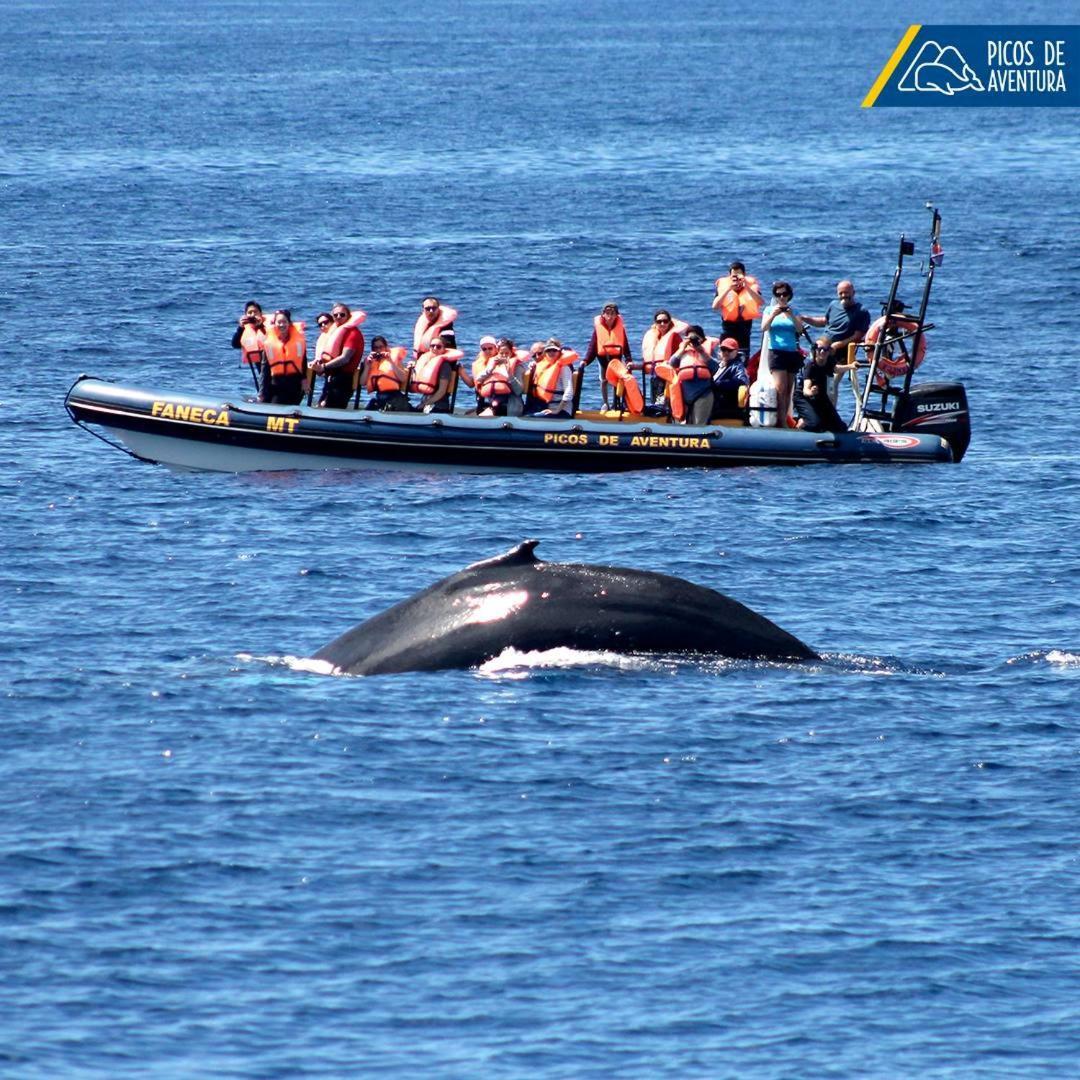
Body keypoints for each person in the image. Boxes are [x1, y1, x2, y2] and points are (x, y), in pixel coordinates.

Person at [760, 281, 807, 427]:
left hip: (791, 352)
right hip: (777, 352)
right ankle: (781, 422)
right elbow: (764, 327)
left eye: (784, 294)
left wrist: (791, 315)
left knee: (788, 389)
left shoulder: (794, 311)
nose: (781, 297)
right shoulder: (769, 310)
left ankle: (785, 417)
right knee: (780, 388)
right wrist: (773, 314)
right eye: (778, 294)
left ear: (789, 296)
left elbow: (799, 329)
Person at [802, 280, 871, 368]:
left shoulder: (861, 311)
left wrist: (838, 345)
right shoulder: (833, 305)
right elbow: (825, 322)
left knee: (831, 375)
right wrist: (805, 318)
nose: (843, 295)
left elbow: (858, 336)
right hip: (823, 345)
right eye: (840, 293)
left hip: (841, 349)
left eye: (846, 293)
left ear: (853, 293)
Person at [655, 326, 716, 425]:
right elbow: (672, 364)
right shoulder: (683, 351)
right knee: (685, 424)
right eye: (690, 338)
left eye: (696, 338)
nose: (693, 341)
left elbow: (715, 367)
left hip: (703, 393)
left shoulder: (708, 350)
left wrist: (701, 351)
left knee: (699, 424)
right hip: (684, 393)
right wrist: (681, 349)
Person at [312, 303, 366, 408]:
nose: (338, 317)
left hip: (343, 381)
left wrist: (323, 367)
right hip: (331, 378)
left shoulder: (353, 334)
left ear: (348, 316)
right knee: (321, 407)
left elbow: (345, 358)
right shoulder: (335, 332)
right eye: (335, 315)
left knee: (330, 409)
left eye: (342, 314)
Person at [794, 339, 855, 433]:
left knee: (840, 427)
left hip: (820, 397)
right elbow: (805, 389)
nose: (822, 351)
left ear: (829, 351)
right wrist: (811, 391)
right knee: (815, 425)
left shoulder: (829, 361)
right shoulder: (810, 366)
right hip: (803, 397)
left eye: (825, 349)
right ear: (815, 350)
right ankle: (801, 422)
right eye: (820, 349)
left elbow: (836, 369)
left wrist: (851, 366)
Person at [584, 302, 632, 409]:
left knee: (617, 380)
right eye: (607, 313)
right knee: (604, 380)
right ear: (603, 314)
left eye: (613, 313)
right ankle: (605, 403)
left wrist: (628, 359)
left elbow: (625, 345)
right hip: (602, 358)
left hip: (616, 358)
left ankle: (617, 403)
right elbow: (593, 345)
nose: (610, 316)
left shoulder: (620, 328)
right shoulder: (598, 328)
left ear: (616, 315)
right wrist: (586, 361)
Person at [711, 261, 763, 356]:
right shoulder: (724, 288)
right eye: (734, 276)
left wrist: (746, 287)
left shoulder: (751, 287)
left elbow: (760, 302)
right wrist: (728, 289)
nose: (736, 279)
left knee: (743, 360)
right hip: (728, 331)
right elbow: (715, 306)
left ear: (744, 275)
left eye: (739, 276)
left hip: (744, 332)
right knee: (725, 359)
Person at [641, 310, 689, 404]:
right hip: (655, 376)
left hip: (668, 377)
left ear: (670, 322)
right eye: (659, 321)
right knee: (656, 404)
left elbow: (680, 358)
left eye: (665, 321)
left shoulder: (674, 337)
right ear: (655, 323)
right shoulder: (652, 336)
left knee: (665, 404)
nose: (662, 324)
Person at [261, 309, 307, 405]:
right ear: (275, 324)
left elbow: (303, 361)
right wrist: (262, 392)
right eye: (279, 322)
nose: (282, 325)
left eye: (284, 322)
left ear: (289, 323)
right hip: (276, 383)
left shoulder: (299, 341)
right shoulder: (269, 343)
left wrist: (304, 380)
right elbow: (264, 369)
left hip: (294, 382)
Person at [524, 339, 579, 417]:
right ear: (545, 353)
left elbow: (569, 392)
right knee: (525, 414)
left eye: (554, 350)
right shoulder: (542, 366)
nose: (551, 353)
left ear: (559, 352)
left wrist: (557, 410)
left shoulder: (564, 368)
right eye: (548, 350)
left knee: (529, 418)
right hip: (546, 407)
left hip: (562, 410)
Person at [410, 333, 464, 413]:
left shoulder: (445, 367)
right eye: (432, 346)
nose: (435, 348)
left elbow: (441, 391)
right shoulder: (426, 362)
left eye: (439, 347)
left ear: (444, 349)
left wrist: (424, 404)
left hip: (439, 406)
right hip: (425, 403)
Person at [475, 337, 527, 416]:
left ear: (511, 353)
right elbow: (478, 379)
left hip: (511, 406)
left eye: (507, 353)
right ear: (498, 353)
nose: (504, 356)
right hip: (494, 403)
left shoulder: (518, 367)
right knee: (483, 415)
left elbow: (518, 391)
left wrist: (509, 373)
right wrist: (490, 369)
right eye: (501, 353)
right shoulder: (493, 364)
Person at [361, 336, 411, 411]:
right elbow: (362, 382)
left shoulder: (393, 359)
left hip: (394, 396)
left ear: (386, 347)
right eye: (375, 348)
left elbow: (403, 378)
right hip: (380, 396)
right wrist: (367, 366)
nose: (378, 350)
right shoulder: (370, 362)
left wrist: (391, 361)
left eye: (381, 347)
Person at [231, 300, 268, 399]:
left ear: (261, 314)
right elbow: (235, 344)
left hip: (275, 372)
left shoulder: (269, 327)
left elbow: (273, 340)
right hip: (262, 374)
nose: (252, 315)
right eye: (249, 313)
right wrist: (240, 328)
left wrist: (260, 325)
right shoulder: (246, 330)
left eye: (255, 312)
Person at [711, 337, 750, 419]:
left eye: (729, 350)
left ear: (736, 352)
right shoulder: (719, 365)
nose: (726, 352)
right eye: (723, 349)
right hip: (715, 401)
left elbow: (742, 381)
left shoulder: (737, 366)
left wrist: (719, 384)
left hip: (725, 405)